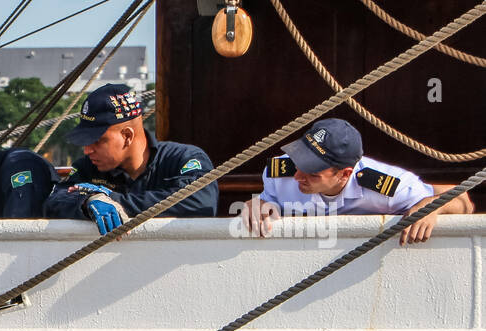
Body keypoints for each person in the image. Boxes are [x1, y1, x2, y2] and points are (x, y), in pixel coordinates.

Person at [241, 117, 475, 244]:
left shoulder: (386, 187)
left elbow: (464, 201)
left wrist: (431, 207)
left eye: (313, 173)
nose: (297, 176)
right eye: (299, 162)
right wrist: (258, 204)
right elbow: (267, 203)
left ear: (345, 173)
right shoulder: (279, 174)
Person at [44, 83, 217, 234]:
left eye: (97, 141)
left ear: (127, 136)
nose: (87, 150)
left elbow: (200, 201)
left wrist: (113, 200)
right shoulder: (87, 167)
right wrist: (87, 201)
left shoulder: (184, 159)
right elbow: (55, 201)